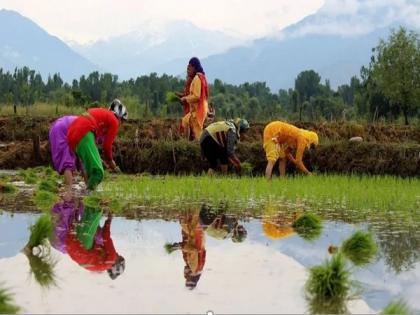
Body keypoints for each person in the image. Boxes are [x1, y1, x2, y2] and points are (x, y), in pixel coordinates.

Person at [67, 99, 127, 191]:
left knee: (91, 172)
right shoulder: (114, 121)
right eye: (122, 120)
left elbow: (94, 145)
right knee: (98, 172)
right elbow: (107, 147)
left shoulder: (102, 114)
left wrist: (102, 160)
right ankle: (89, 197)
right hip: (84, 133)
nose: (120, 123)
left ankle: (85, 195)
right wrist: (111, 163)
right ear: (119, 117)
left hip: (71, 135)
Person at [65, 205, 125, 279]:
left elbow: (106, 237)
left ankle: (94, 201)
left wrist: (109, 219)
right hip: (72, 249)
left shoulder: (111, 260)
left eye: (119, 257)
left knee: (95, 212)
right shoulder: (100, 266)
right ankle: (85, 200)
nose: (117, 254)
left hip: (82, 247)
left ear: (117, 263)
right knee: (87, 214)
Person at [179, 57, 209, 140]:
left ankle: (197, 148)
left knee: (198, 135)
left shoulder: (197, 78)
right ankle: (185, 143)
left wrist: (185, 99)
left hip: (198, 111)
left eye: (189, 68)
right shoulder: (200, 77)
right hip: (196, 110)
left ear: (194, 67)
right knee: (184, 121)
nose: (188, 71)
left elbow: (197, 96)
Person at [49, 115, 81, 189]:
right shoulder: (90, 131)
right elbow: (85, 164)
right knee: (67, 163)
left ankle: (69, 188)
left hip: (59, 127)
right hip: (61, 130)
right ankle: (68, 191)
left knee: (70, 161)